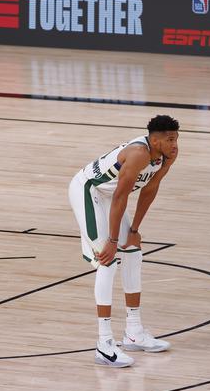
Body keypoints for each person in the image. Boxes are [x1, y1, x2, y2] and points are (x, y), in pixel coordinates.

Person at [68, 115, 179, 368]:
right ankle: (104, 344)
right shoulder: (139, 153)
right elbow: (120, 196)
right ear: (154, 139)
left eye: (176, 138)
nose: (174, 144)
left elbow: (150, 188)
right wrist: (112, 240)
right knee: (108, 262)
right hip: (89, 191)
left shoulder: (169, 155)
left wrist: (135, 229)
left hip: (110, 196)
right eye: (170, 139)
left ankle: (133, 332)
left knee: (133, 252)